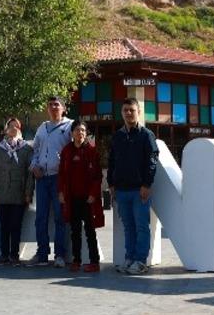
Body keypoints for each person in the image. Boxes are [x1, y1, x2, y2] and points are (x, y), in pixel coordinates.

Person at [107, 98, 158, 275]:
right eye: (125, 110)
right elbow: (111, 161)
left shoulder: (146, 135)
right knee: (128, 227)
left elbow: (152, 161)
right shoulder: (118, 136)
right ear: (122, 113)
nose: (128, 113)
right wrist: (111, 184)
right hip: (121, 190)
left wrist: (146, 184)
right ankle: (129, 258)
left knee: (142, 226)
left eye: (132, 110)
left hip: (139, 190)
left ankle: (140, 261)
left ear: (138, 112)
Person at [29, 96, 73, 267]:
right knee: (40, 217)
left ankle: (60, 255)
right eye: (50, 105)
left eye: (57, 105)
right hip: (42, 179)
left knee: (60, 217)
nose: (53, 107)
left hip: (59, 179)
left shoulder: (70, 126)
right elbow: (36, 150)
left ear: (63, 108)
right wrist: (34, 166)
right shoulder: (42, 127)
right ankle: (42, 253)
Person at [0, 117, 35, 265]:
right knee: (4, 226)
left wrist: (28, 193)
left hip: (19, 193)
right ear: (6, 129)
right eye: (11, 126)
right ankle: (3, 254)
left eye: (17, 127)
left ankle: (14, 255)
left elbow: (30, 174)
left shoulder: (26, 148)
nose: (14, 129)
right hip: (2, 193)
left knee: (16, 225)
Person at [58, 120, 104, 273]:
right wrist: (61, 193)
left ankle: (94, 262)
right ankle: (76, 261)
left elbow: (97, 177)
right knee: (75, 231)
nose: (80, 133)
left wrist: (92, 194)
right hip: (72, 199)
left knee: (90, 231)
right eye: (77, 130)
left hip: (88, 199)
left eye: (83, 130)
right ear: (72, 133)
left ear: (86, 133)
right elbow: (62, 175)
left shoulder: (92, 151)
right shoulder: (66, 151)